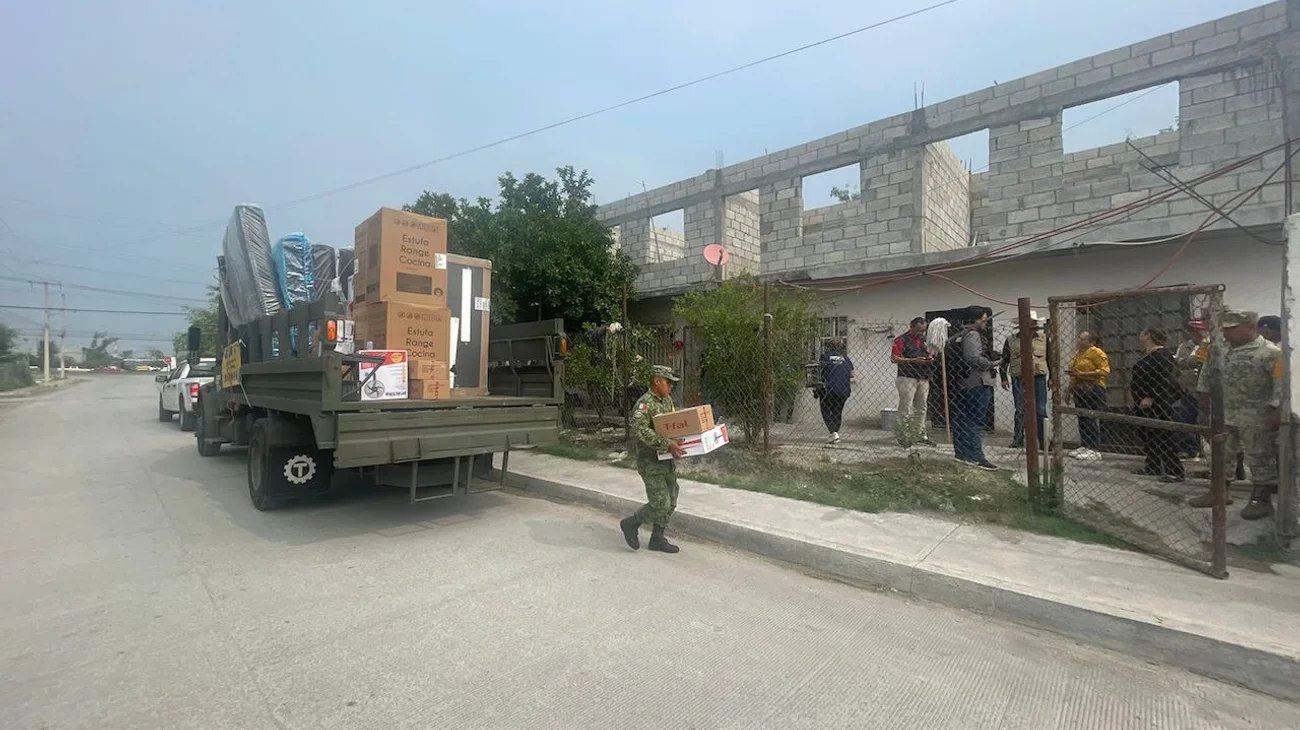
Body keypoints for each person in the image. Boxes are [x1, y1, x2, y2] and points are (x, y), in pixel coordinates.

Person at [1187, 311, 1282, 520]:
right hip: (1225, 412)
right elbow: (1207, 370)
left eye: (1232, 328)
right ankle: (1219, 492)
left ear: (1250, 327)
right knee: (1221, 454)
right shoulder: (1219, 349)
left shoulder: (1270, 352)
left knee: (1258, 456)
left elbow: (1280, 383)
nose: (1227, 333)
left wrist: (1277, 409)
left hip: (1256, 414)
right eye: (1225, 329)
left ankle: (1261, 499)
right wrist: (1203, 392)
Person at [619, 365, 686, 553]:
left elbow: (672, 425)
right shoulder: (644, 404)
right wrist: (667, 443)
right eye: (668, 382)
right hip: (650, 461)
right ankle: (631, 524)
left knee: (671, 499)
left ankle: (657, 538)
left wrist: (680, 441)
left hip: (666, 459)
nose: (670, 387)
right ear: (657, 381)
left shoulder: (667, 401)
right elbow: (641, 430)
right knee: (660, 503)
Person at [1130, 328, 1183, 482]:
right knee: (1150, 435)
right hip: (1142, 402)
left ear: (1148, 336)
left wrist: (1150, 396)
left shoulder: (1162, 355)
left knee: (1163, 435)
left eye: (1142, 333)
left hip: (1157, 402)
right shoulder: (1147, 355)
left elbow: (1163, 378)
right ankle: (1153, 465)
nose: (1139, 337)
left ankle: (1175, 470)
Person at [951, 306, 998, 471]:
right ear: (978, 319)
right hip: (976, 382)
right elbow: (972, 358)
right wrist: (992, 363)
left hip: (964, 382)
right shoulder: (973, 335)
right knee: (975, 421)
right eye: (985, 318)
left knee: (963, 419)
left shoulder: (960, 335)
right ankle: (975, 456)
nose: (986, 322)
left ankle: (962, 453)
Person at [999, 310, 1047, 451]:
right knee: (1020, 410)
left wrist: (1053, 379)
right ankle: (1018, 439)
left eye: (1032, 323)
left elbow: (1051, 358)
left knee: (1040, 410)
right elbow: (1004, 360)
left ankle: (1043, 441)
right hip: (1019, 378)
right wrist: (1003, 378)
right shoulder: (1011, 340)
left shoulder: (1043, 339)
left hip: (1038, 377)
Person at [891, 317, 935, 445]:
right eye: (919, 330)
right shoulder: (901, 340)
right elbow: (894, 358)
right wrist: (913, 360)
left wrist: (929, 358)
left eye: (923, 331)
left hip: (923, 377)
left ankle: (920, 435)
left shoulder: (925, 340)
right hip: (907, 377)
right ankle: (904, 435)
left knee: (922, 408)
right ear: (911, 327)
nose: (921, 333)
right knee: (906, 408)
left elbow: (931, 353)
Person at [1068, 331, 1110, 460]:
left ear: (1091, 342)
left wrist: (1084, 374)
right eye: (1079, 338)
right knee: (1082, 416)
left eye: (1083, 339)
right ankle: (1085, 444)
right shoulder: (1078, 354)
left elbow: (1105, 370)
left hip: (1093, 387)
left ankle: (1094, 447)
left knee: (1090, 416)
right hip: (1080, 388)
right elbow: (1074, 372)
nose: (1079, 341)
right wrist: (1069, 389)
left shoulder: (1096, 352)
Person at [818, 338, 854, 444]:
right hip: (843, 390)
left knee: (825, 409)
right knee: (837, 411)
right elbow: (852, 374)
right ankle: (835, 433)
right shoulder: (846, 358)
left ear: (829, 346)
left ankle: (833, 432)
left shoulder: (825, 357)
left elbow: (818, 371)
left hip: (828, 389)